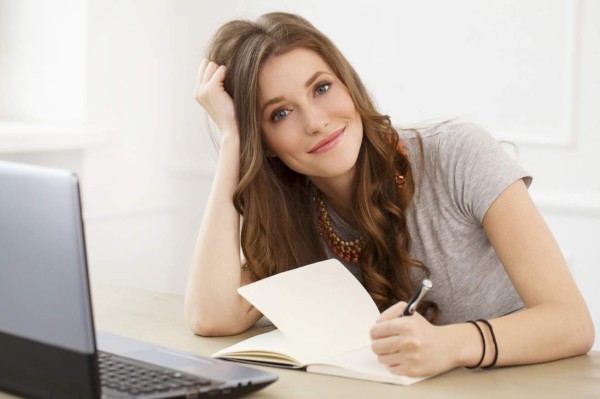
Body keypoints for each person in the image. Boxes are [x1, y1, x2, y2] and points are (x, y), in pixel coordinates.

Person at [184, 12, 594, 377]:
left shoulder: (459, 155)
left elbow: (572, 323)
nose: (316, 122)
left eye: (322, 88)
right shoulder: (291, 212)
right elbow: (211, 315)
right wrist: (233, 140)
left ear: (349, 84)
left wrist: (451, 346)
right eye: (280, 113)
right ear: (265, 142)